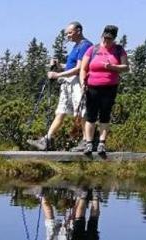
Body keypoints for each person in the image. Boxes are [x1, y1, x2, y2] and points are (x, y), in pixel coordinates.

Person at [27, 22, 92, 151]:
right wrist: (59, 65)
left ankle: (86, 140)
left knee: (81, 111)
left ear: (78, 31)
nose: (67, 36)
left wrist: (57, 75)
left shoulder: (85, 46)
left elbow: (79, 68)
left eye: (70, 32)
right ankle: (47, 139)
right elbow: (71, 67)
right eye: (67, 33)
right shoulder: (76, 46)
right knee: (61, 111)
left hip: (77, 82)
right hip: (68, 82)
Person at [74, 25, 128, 158]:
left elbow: (126, 67)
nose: (106, 41)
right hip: (92, 86)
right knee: (91, 116)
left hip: (110, 87)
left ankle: (102, 143)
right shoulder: (93, 49)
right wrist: (82, 83)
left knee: (105, 115)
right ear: (102, 36)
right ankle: (89, 143)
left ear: (114, 38)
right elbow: (83, 68)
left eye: (109, 39)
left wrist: (112, 67)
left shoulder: (119, 50)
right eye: (105, 38)